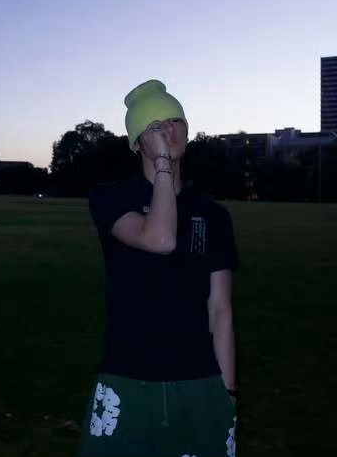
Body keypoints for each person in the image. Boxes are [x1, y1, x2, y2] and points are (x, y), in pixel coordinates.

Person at [78, 80, 240, 457]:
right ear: (138, 142)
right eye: (155, 126)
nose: (169, 129)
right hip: (126, 378)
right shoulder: (111, 198)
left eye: (175, 120)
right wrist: (164, 164)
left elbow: (220, 310)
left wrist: (228, 393)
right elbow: (160, 238)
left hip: (199, 381)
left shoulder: (213, 215)